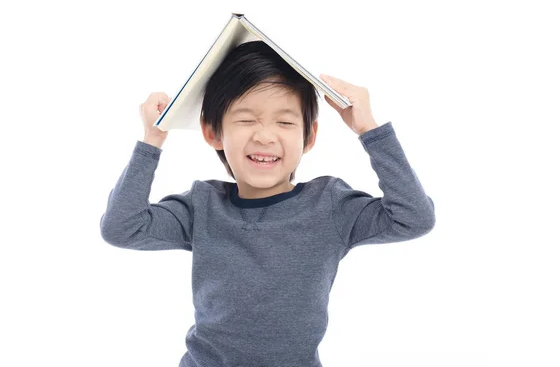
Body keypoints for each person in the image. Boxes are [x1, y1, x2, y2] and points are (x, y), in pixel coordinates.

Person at [100, 41, 436, 366]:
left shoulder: (330, 206)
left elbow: (414, 217)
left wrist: (368, 128)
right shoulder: (201, 207)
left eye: (285, 122)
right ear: (212, 132)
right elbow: (122, 227)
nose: (264, 135)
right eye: (246, 120)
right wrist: (153, 139)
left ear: (310, 137)